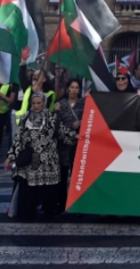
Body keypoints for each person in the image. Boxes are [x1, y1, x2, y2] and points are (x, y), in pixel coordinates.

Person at [5, 91, 76, 220]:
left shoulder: (52, 117)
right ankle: (27, 213)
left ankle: (50, 212)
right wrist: (10, 156)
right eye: (34, 103)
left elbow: (62, 132)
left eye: (39, 103)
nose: (36, 106)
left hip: (48, 160)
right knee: (28, 189)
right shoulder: (26, 117)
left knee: (48, 190)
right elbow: (18, 138)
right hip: (30, 160)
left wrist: (77, 137)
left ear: (44, 103)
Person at [54, 79, 85, 208]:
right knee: (62, 177)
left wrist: (81, 122)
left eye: (76, 87)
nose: (74, 90)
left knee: (77, 177)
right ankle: (62, 204)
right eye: (72, 87)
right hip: (63, 145)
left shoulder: (84, 104)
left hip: (78, 146)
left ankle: (77, 205)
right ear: (67, 89)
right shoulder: (61, 104)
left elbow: (91, 118)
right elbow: (57, 124)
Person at [0, 80, 19, 154]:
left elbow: (10, 100)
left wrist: (2, 96)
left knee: (0, 131)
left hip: (4, 111)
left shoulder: (8, 86)